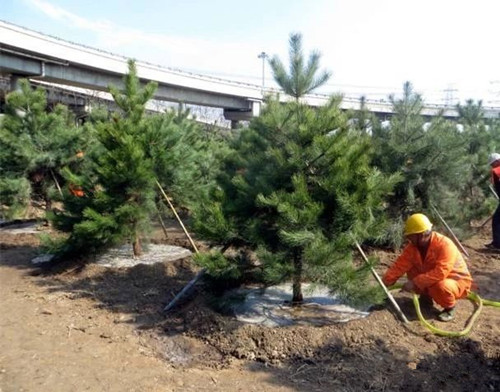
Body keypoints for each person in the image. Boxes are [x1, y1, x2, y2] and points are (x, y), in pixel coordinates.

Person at [382, 213, 473, 322]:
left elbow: (441, 272)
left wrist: (415, 283)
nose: (408, 238)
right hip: (434, 278)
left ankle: (449, 308)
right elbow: (398, 267)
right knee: (412, 269)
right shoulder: (413, 247)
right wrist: (384, 284)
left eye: (411, 236)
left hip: (456, 281)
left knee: (441, 286)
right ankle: (426, 298)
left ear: (422, 235)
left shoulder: (444, 245)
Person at [487, 153, 500, 249]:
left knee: (497, 221)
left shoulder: (496, 171)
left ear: (497, 161)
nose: (491, 166)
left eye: (492, 164)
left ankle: (497, 244)